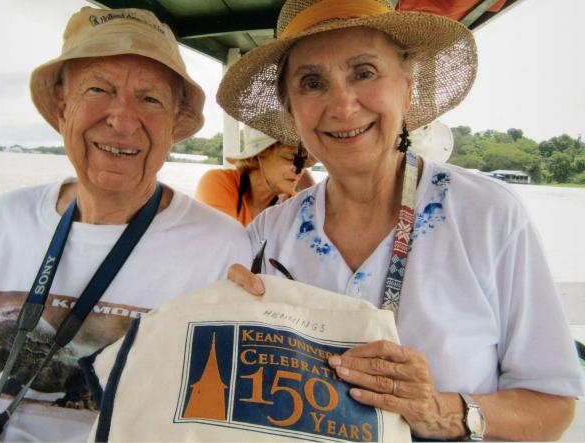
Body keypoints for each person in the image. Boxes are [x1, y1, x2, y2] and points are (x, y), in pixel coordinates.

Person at [216, 0, 584, 440]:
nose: (342, 105)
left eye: (364, 72)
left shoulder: (487, 215)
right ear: (292, 112)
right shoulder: (268, 235)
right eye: (312, 82)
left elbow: (553, 406)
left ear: (407, 91)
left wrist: (440, 411)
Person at [0, 7, 250, 442]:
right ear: (63, 105)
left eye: (150, 99)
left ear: (172, 124)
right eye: (98, 89)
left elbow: (222, 419)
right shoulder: (2, 218)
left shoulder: (222, 248)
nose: (123, 120)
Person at [195, 126, 314, 226]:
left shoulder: (295, 205)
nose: (299, 170)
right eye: (290, 158)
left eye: (304, 162)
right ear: (259, 156)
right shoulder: (218, 182)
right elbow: (225, 244)